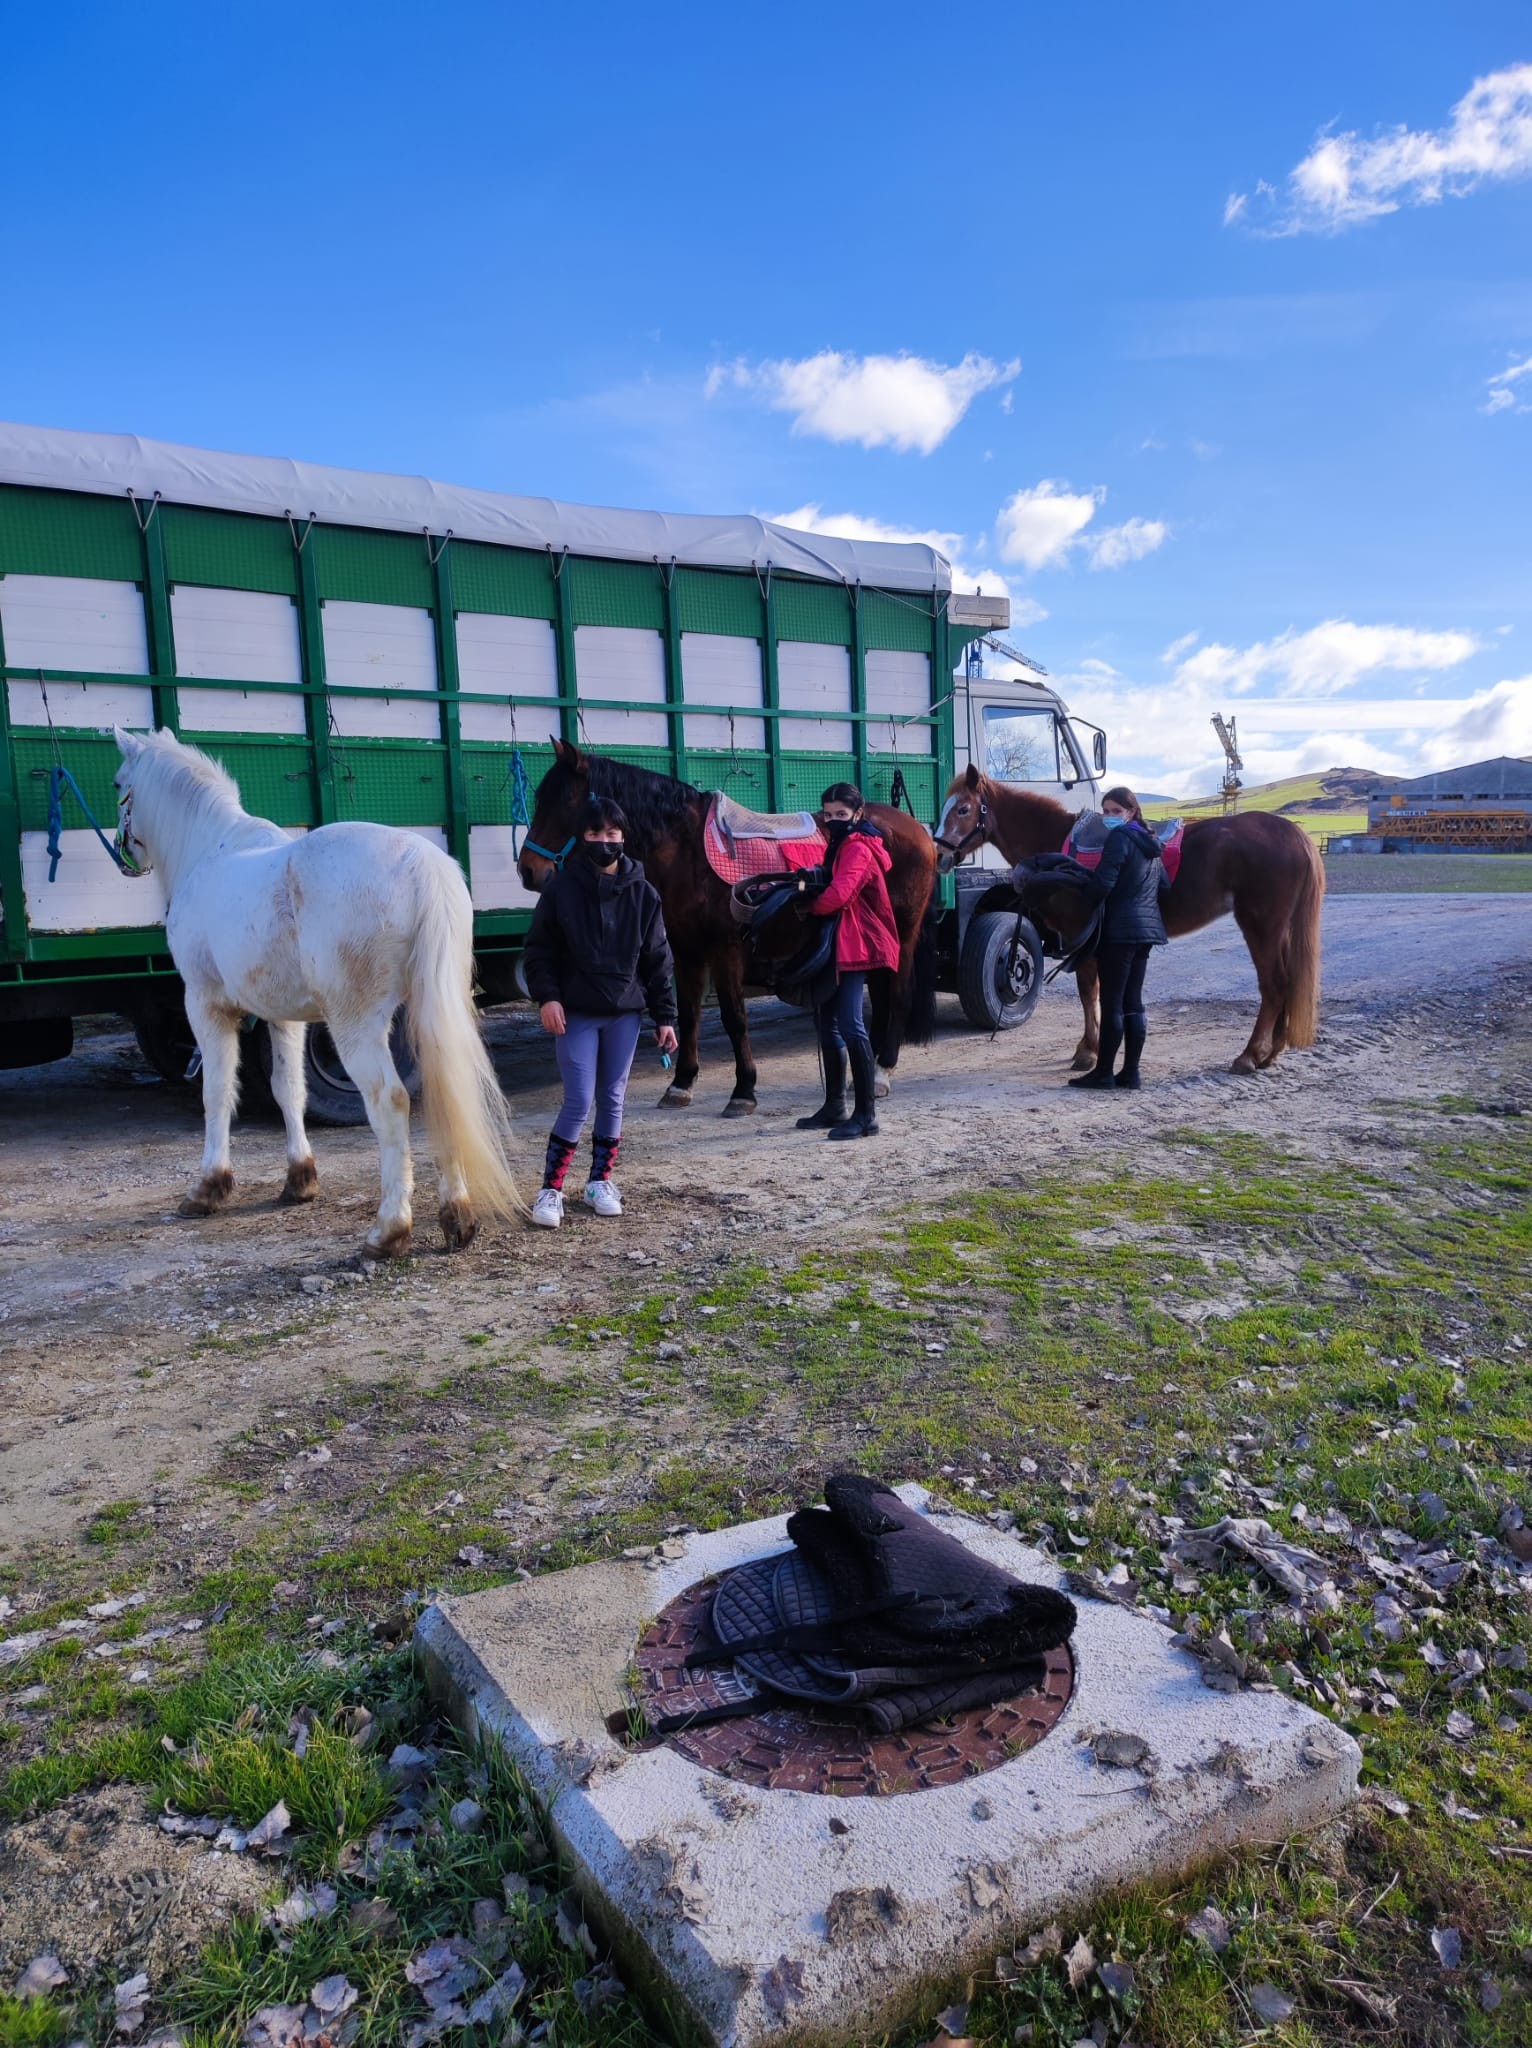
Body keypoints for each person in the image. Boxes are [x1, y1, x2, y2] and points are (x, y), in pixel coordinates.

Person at [522, 796, 679, 1225]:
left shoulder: (644, 895)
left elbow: (657, 959)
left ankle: (599, 1182)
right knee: (577, 1099)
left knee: (612, 1098)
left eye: (612, 834)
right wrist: (548, 997)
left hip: (624, 1014)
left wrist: (666, 1017)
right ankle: (550, 1190)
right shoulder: (560, 891)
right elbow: (539, 952)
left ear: (623, 838)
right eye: (594, 834)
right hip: (575, 1013)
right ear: (581, 839)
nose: (604, 841)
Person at [796, 782, 900, 1140]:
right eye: (828, 814)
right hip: (843, 939)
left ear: (858, 814)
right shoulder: (842, 842)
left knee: (851, 1024)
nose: (833, 820)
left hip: (858, 942)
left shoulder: (857, 846)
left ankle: (866, 1115)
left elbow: (840, 894)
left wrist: (807, 906)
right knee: (828, 1023)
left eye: (841, 814)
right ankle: (835, 1106)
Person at [1067, 784, 1169, 1091]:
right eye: (1106, 811)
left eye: (1116, 811)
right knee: (1133, 1003)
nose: (1109, 817)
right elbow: (1163, 885)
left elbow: (1104, 883)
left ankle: (1104, 1074)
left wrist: (1081, 904)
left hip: (1120, 932)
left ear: (1131, 812)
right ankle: (1131, 1073)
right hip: (1147, 932)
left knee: (1112, 1002)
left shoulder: (1119, 838)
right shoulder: (1152, 842)